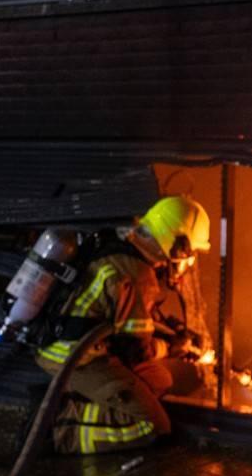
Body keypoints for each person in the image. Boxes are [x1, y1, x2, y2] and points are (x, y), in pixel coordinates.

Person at [34, 195, 214, 455]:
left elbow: (122, 317)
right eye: (192, 253)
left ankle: (78, 404)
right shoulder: (138, 274)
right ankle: (59, 431)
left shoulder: (122, 243)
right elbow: (135, 351)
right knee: (152, 427)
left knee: (159, 379)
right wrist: (173, 347)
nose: (190, 261)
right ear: (179, 246)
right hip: (74, 357)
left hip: (72, 344)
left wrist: (169, 332)